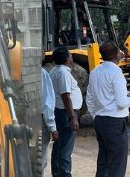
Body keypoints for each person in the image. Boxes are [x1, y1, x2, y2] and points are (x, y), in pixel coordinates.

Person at [86, 42, 130, 177]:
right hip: (114, 122)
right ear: (116, 55)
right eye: (119, 51)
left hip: (100, 121)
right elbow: (121, 102)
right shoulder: (116, 73)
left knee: (104, 161)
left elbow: (89, 99)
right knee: (117, 163)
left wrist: (96, 116)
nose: (121, 53)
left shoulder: (95, 72)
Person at [49, 46, 82, 177]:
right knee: (65, 149)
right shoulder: (63, 73)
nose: (72, 56)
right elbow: (66, 97)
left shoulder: (54, 71)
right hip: (66, 114)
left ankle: (57, 173)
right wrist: (73, 118)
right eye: (70, 54)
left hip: (61, 112)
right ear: (67, 58)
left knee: (59, 146)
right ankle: (64, 174)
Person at [41, 68, 58, 173]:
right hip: (38, 120)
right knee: (39, 158)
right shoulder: (41, 73)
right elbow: (47, 104)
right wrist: (52, 127)